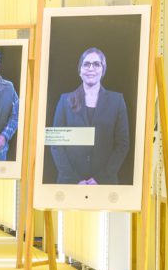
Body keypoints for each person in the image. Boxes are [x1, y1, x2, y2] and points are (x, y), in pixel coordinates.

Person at [50, 47, 130, 185]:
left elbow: (122, 144)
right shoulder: (64, 100)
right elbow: (56, 144)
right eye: (86, 64)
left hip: (105, 183)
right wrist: (75, 180)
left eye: (96, 64)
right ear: (80, 70)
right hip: (70, 183)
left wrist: (101, 178)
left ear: (103, 70)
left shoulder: (117, 101)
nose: (91, 68)